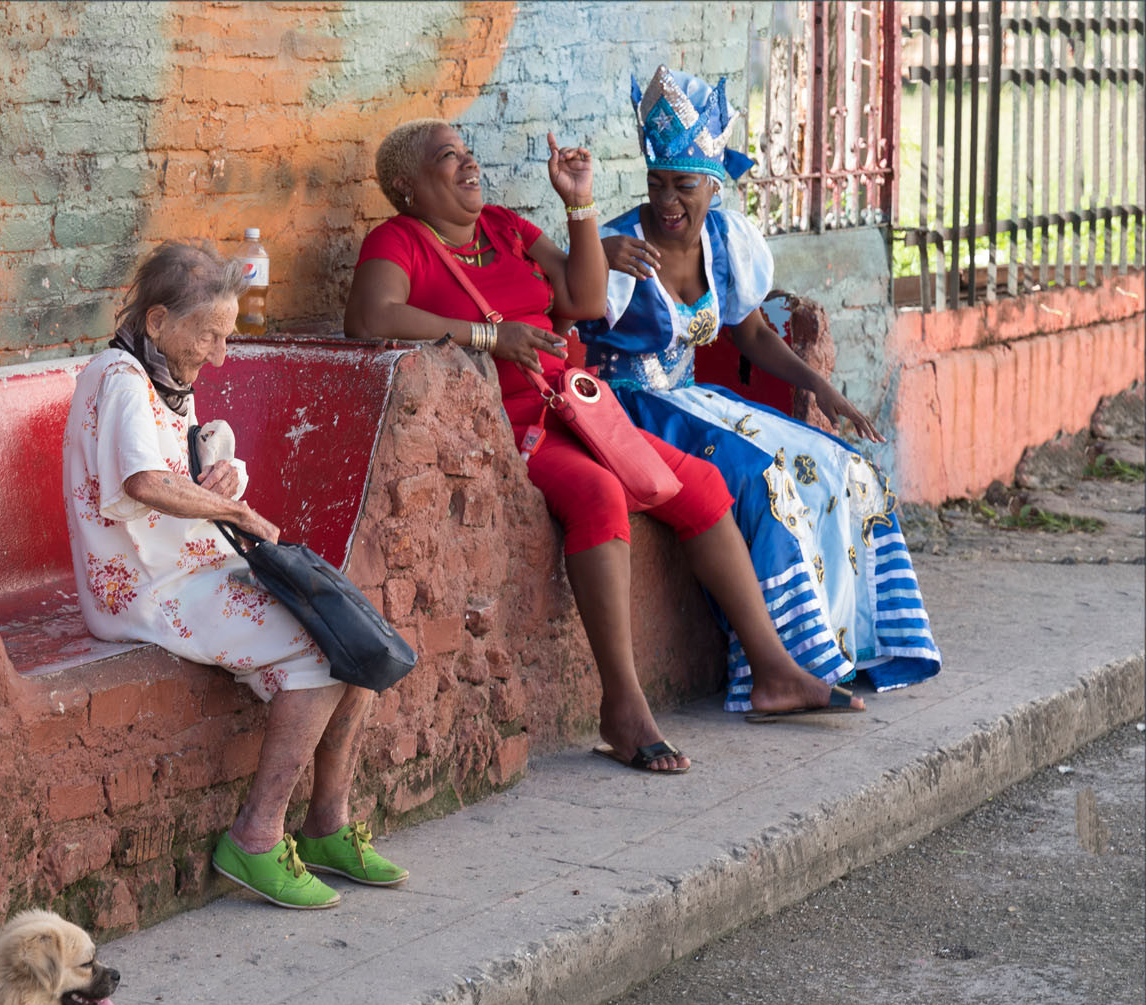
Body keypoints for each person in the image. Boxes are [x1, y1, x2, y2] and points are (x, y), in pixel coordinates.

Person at [345, 120, 862, 775]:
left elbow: (585, 297)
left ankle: (775, 672)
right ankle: (623, 705)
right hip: (510, 423)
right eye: (449, 158)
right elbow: (370, 317)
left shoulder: (506, 228)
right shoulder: (397, 241)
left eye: (469, 152)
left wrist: (578, 202)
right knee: (598, 494)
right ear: (405, 185)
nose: (469, 165)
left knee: (701, 485)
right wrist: (485, 338)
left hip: (577, 404)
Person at [578, 66, 941, 710]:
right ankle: (781, 669)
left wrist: (821, 390)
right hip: (632, 409)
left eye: (683, 185)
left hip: (694, 401)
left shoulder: (724, 241)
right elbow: (564, 311)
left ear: (712, 187)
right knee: (761, 475)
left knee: (842, 465)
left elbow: (750, 334)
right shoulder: (619, 247)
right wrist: (595, 254)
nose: (667, 202)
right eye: (656, 184)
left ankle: (848, 647)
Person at [64, 241, 408, 909]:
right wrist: (236, 509)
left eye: (227, 336)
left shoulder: (159, 369)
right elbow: (142, 482)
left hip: (189, 566)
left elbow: (174, 474)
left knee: (351, 638)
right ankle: (254, 839)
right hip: (145, 586)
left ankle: (327, 826)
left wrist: (220, 480)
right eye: (210, 335)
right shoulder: (121, 379)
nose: (219, 354)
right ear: (159, 320)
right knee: (317, 648)